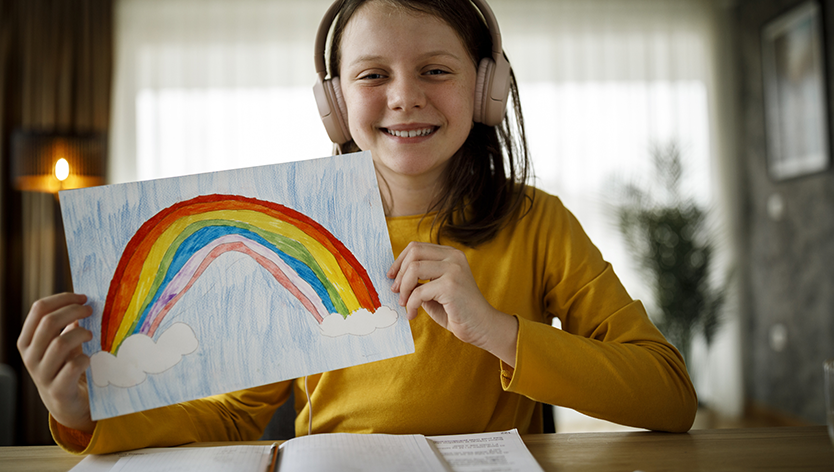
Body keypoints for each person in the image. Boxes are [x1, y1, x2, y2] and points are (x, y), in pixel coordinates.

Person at [17, 0, 697, 454]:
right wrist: (84, 414)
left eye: (437, 69)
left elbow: (669, 394)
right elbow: (230, 416)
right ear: (335, 103)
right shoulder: (295, 230)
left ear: (487, 88)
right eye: (374, 74)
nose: (406, 96)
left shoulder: (538, 222)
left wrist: (498, 330)